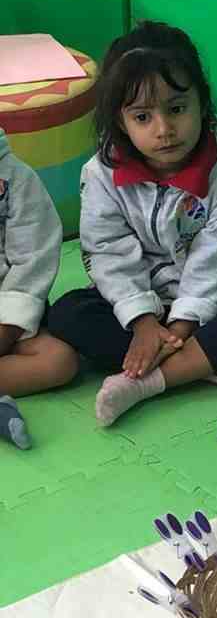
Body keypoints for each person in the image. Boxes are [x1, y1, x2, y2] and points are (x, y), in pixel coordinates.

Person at [48, 21, 217, 427]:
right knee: (66, 314)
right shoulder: (101, 174)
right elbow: (106, 250)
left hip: (206, 305)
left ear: (202, 103)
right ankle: (206, 367)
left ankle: (145, 382)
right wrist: (142, 321)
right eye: (143, 116)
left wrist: (179, 326)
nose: (164, 130)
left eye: (176, 109)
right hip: (132, 306)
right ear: (121, 121)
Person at [0, 128, 78, 449]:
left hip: (8, 309)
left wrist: (7, 330)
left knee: (59, 360)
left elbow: (34, 256)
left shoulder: (16, 178)